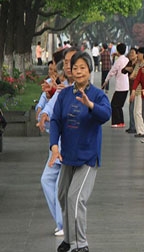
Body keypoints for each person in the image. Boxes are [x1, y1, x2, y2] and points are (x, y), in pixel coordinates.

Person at [49, 51, 111, 252]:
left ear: (89, 70)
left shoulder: (97, 94)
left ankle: (80, 244)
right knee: (63, 196)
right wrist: (54, 147)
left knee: (76, 198)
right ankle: (68, 239)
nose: (78, 71)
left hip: (87, 157)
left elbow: (105, 115)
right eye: (75, 68)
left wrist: (90, 105)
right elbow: (56, 120)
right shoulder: (65, 94)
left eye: (82, 67)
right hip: (68, 155)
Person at [37, 47, 78, 238]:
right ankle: (62, 222)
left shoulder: (79, 88)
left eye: (73, 62)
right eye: (67, 62)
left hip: (70, 145)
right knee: (47, 180)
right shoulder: (61, 88)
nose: (68, 66)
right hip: (56, 145)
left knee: (61, 187)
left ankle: (65, 223)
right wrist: (44, 113)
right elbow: (49, 106)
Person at [102, 43, 129, 127]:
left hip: (120, 87)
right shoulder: (126, 60)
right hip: (126, 86)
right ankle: (121, 122)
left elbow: (112, 71)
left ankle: (117, 122)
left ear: (117, 50)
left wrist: (106, 81)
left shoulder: (119, 61)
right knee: (119, 105)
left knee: (114, 104)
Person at [122, 47, 137, 134]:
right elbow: (123, 70)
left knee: (134, 109)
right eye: (130, 53)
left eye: (133, 53)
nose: (131, 55)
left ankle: (134, 127)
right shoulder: (130, 63)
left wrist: (131, 70)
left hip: (136, 89)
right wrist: (128, 69)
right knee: (131, 108)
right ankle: (132, 126)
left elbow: (134, 76)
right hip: (131, 88)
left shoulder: (138, 64)